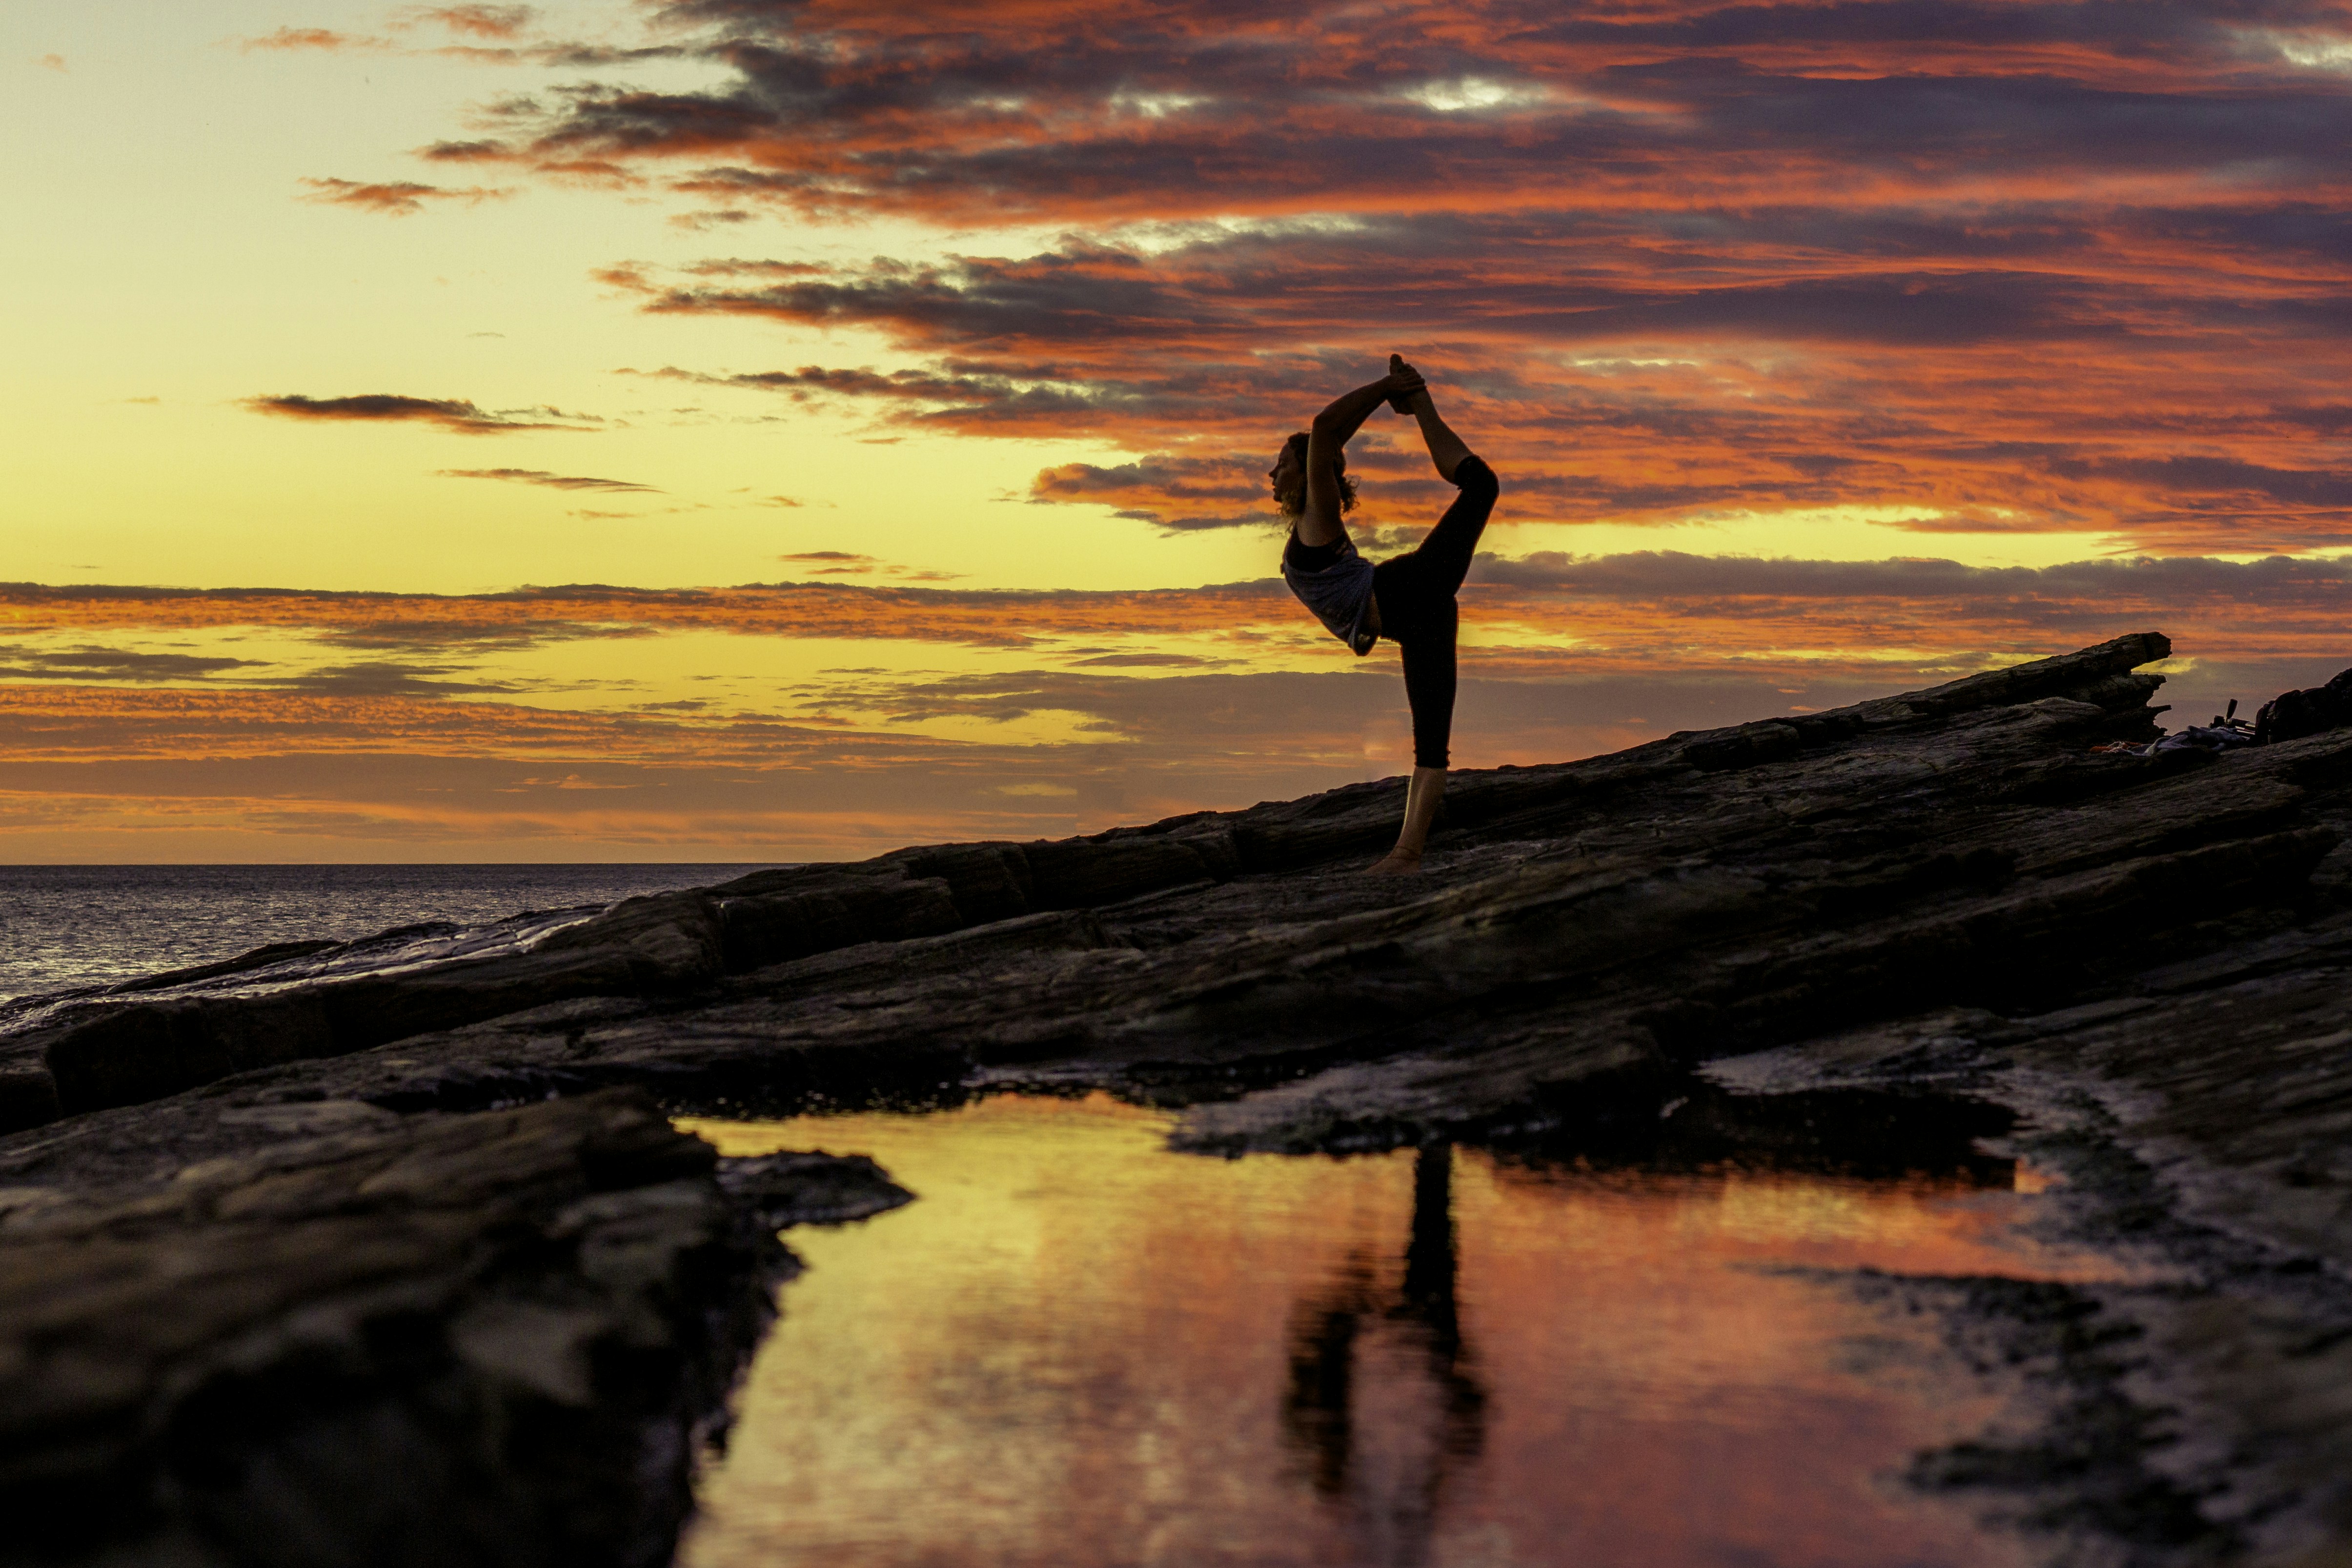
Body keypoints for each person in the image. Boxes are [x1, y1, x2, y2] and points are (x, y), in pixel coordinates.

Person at [1273, 355, 1499, 874]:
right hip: (1415, 620)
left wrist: (1388, 387)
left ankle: (1421, 404)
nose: (1272, 471)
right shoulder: (1304, 525)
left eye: (1282, 463)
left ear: (1309, 474)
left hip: (1407, 591)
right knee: (1432, 745)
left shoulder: (1318, 511)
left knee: (1482, 485)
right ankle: (1406, 857)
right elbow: (1327, 440)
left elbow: (1325, 430)